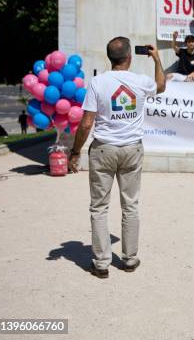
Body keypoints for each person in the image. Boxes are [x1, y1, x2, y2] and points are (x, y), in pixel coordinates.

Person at [68, 37, 166, 279]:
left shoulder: (98, 82)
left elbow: (86, 123)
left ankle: (101, 263)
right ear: (130, 57)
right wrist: (156, 59)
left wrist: (75, 151)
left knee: (99, 207)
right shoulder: (141, 82)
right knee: (130, 205)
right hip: (132, 148)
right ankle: (130, 259)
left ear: (108, 58)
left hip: (103, 149)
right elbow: (161, 86)